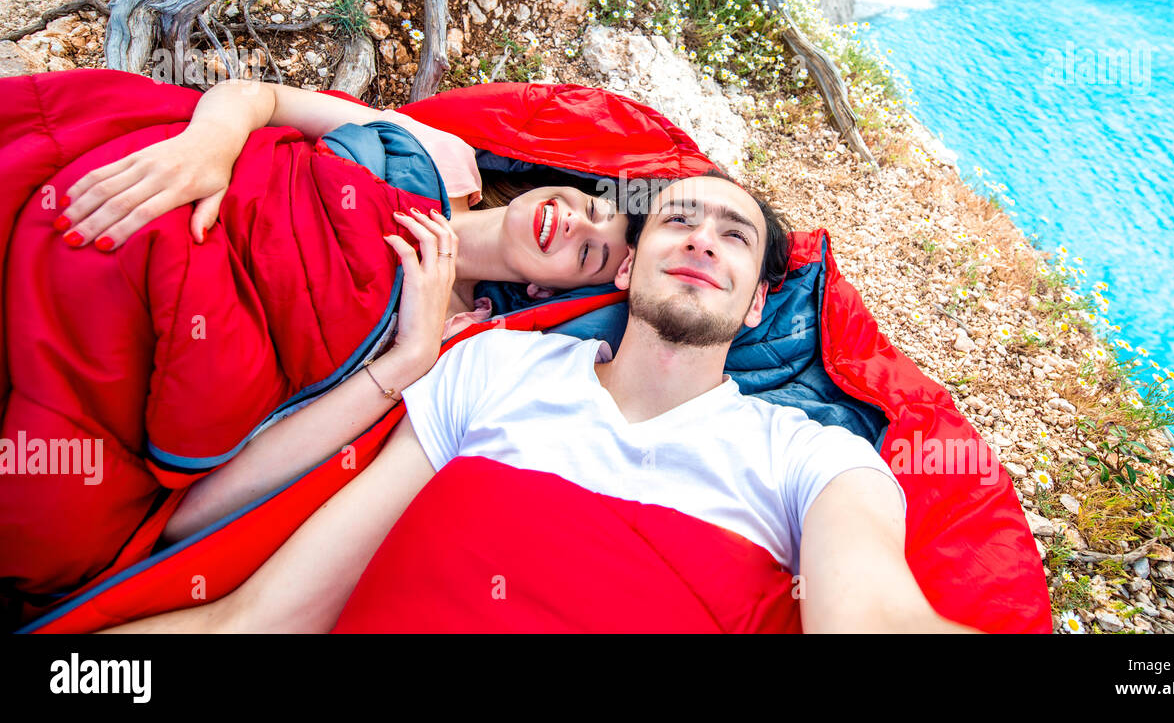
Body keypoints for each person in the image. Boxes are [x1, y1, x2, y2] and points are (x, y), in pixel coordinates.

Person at [110, 172, 978, 633]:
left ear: (756, 305)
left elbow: (873, 618)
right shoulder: (494, 370)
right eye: (678, 221)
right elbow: (265, 615)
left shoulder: (812, 458)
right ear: (630, 267)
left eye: (734, 236)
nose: (704, 240)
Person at [51, 78, 630, 316]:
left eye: (588, 254)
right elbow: (261, 97)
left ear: (543, 290)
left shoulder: (444, 327)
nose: (578, 225)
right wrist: (207, 147)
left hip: (199, 301)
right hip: (200, 190)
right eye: (595, 209)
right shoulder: (446, 158)